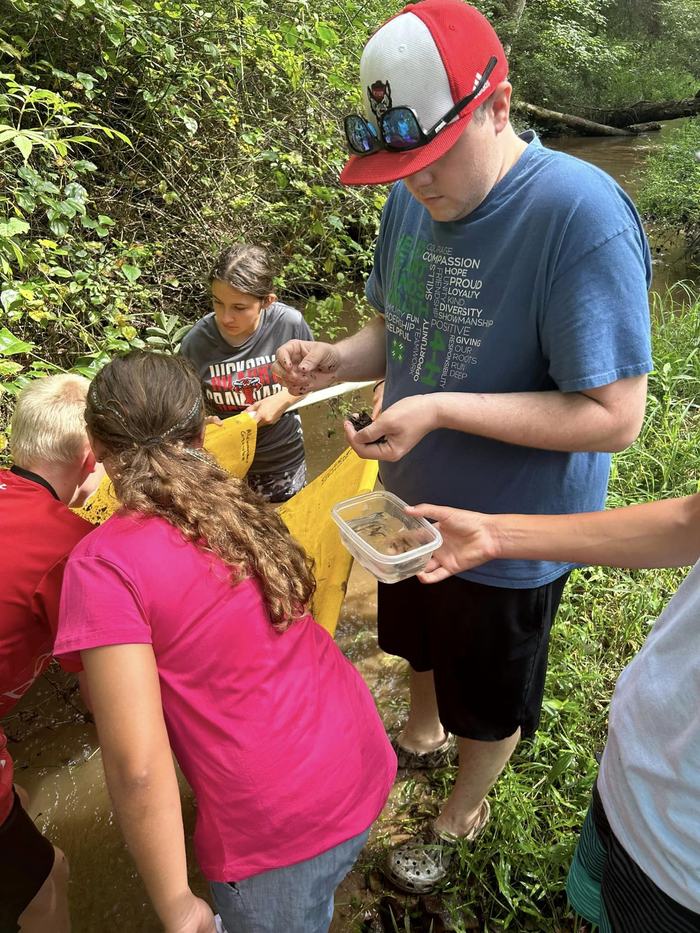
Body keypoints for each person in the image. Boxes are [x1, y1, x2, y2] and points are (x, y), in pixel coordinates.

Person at [274, 0, 652, 894]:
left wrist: (441, 407)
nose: (417, 185)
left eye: (433, 159)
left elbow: (614, 414)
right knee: (418, 639)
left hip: (506, 532)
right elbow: (396, 328)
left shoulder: (578, 216)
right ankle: (421, 729)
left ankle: (461, 808)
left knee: (489, 688)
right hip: (406, 507)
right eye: (400, 168)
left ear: (498, 105)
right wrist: (338, 358)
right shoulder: (411, 200)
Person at [52, 351, 396, 933]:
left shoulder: (101, 565)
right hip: (361, 756)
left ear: (96, 446)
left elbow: (137, 767)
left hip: (278, 831)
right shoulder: (235, 507)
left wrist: (177, 905)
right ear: (202, 430)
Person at [403, 494, 700, 932]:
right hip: (634, 769)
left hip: (685, 867)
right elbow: (689, 521)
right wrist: (493, 534)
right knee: (595, 906)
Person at [0, 374, 97, 933]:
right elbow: (101, 691)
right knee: (47, 877)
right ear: (90, 459)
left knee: (19, 794)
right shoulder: (68, 546)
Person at [181, 244, 313, 502]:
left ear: (267, 301)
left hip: (281, 458)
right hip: (223, 464)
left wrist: (283, 398)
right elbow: (185, 406)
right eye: (218, 303)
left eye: (239, 308)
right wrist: (199, 422)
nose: (225, 317)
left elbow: (315, 377)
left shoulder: (289, 324)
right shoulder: (196, 343)